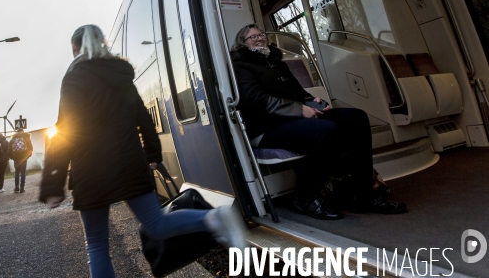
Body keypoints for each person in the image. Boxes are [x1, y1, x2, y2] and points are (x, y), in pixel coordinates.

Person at [40, 24, 247, 277]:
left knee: (96, 244)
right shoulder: (121, 75)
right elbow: (143, 117)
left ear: (75, 48)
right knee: (156, 223)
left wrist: (53, 182)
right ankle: (213, 219)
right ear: (103, 43)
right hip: (129, 162)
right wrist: (151, 154)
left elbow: (65, 129)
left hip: (92, 169)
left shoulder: (74, 77)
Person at [230, 24, 407, 219]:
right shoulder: (240, 66)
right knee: (327, 130)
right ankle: (305, 196)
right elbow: (254, 99)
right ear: (242, 43)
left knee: (357, 117)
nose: (259, 39)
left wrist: (313, 102)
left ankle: (363, 195)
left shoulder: (277, 62)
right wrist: (299, 109)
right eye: (252, 37)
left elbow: (298, 93)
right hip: (268, 126)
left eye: (260, 35)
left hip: (294, 117)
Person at [9, 128, 33, 193]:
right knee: (23, 172)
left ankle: (16, 187)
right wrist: (28, 156)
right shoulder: (26, 138)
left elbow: (9, 150)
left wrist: (12, 157)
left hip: (16, 158)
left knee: (17, 172)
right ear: (23, 131)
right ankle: (22, 188)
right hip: (24, 158)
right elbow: (31, 148)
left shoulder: (13, 139)